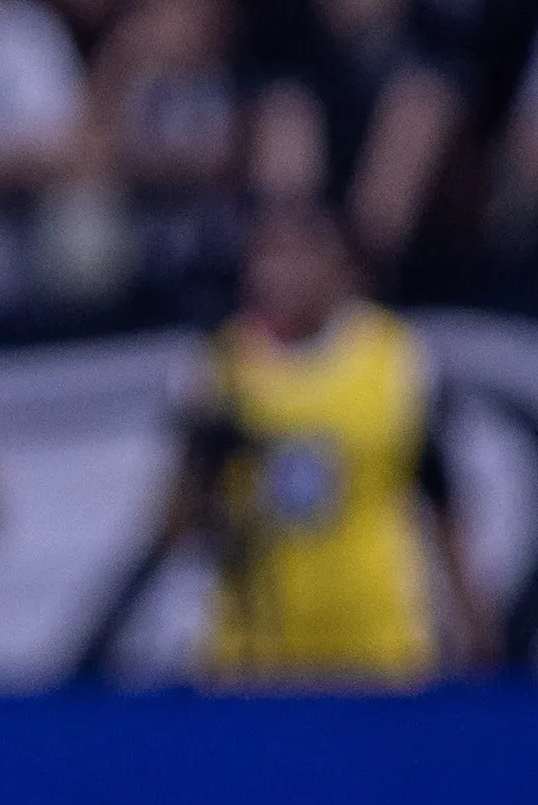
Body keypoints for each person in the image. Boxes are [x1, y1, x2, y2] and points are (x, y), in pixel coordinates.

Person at [160, 205, 499, 686]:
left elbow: (441, 500)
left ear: (342, 266)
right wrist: (200, 458)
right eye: (269, 254)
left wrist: (475, 622)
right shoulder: (217, 369)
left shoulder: (397, 359)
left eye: (305, 253)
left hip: (379, 649)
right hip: (253, 656)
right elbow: (175, 531)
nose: (284, 271)